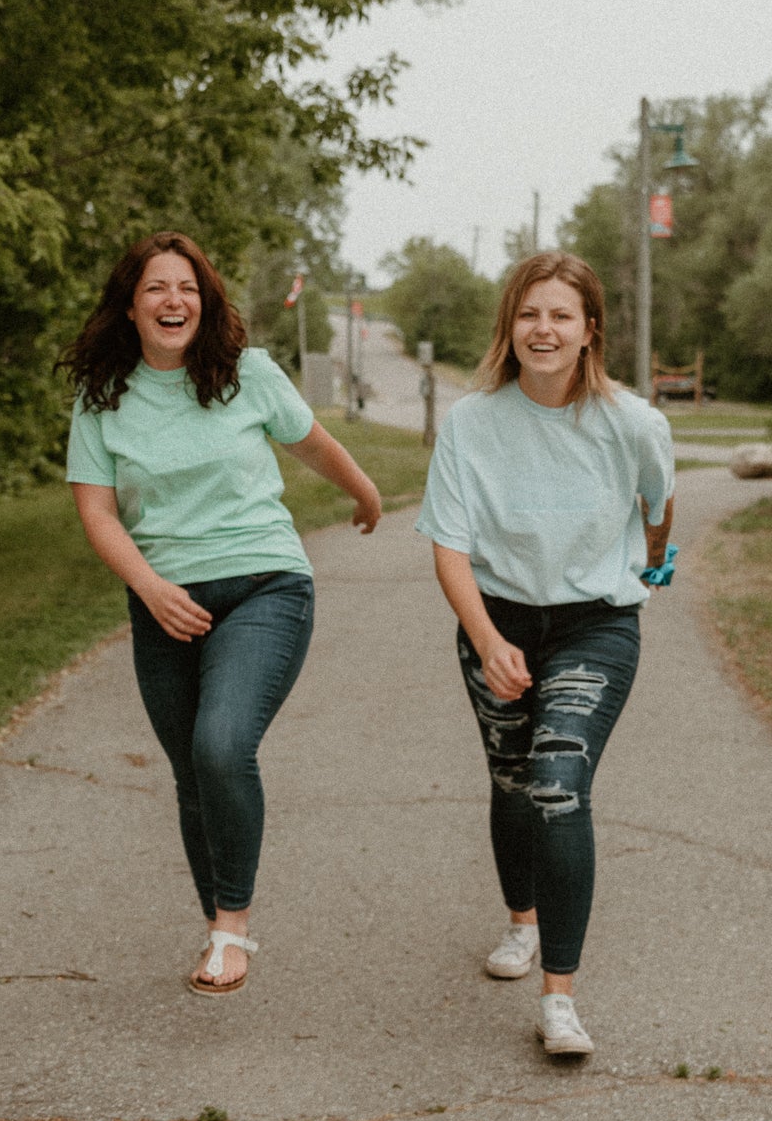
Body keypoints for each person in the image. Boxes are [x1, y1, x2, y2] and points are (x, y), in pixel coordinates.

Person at [62, 231, 382, 995]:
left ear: (204, 304)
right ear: (131, 307)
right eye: (156, 289)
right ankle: (216, 931)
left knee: (220, 744)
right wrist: (150, 588)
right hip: (162, 600)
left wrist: (366, 494)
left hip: (264, 584)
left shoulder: (247, 373)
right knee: (191, 773)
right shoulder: (102, 398)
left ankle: (234, 933)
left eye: (188, 290)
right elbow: (98, 513)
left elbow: (312, 443)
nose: (174, 302)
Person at [416, 252, 674, 1058]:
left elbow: (658, 504)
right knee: (511, 778)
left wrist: (648, 563)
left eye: (561, 314)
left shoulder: (631, 421)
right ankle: (520, 923)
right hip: (495, 619)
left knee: (557, 783)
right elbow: (449, 549)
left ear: (589, 330)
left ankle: (558, 998)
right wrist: (489, 640)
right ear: (509, 325)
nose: (544, 329)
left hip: (595, 624)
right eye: (530, 313)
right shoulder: (470, 423)